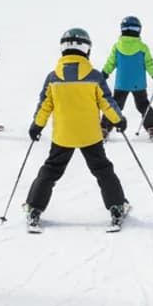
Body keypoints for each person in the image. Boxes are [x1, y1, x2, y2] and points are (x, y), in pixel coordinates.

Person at [23, 28, 131, 230]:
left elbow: (45, 104)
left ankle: (34, 207)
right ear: (86, 49)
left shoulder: (53, 78)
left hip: (63, 136)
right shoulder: (94, 76)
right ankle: (116, 206)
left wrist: (37, 125)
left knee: (50, 170)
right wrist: (118, 120)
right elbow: (106, 102)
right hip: (90, 135)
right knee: (103, 170)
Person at [101, 15, 153, 141]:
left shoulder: (117, 47)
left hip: (122, 83)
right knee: (143, 105)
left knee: (115, 106)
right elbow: (149, 64)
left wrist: (104, 73)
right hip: (138, 83)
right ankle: (151, 127)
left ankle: (104, 128)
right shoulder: (142, 48)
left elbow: (111, 63)